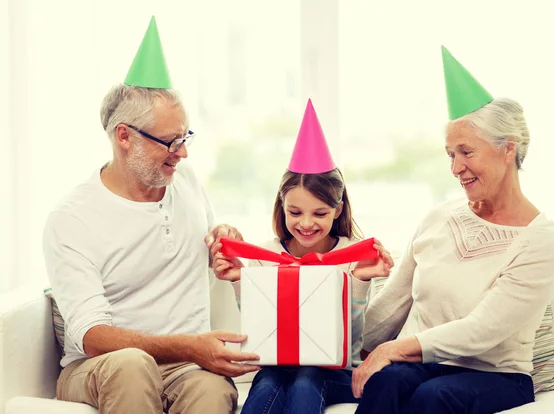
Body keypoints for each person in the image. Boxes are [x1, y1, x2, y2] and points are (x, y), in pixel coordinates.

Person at [42, 17, 258, 414]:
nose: (184, 152)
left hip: (185, 367)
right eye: (171, 141)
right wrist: (188, 345)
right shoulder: (72, 218)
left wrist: (221, 245)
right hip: (99, 367)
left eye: (186, 137)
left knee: (213, 390)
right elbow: (92, 337)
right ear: (124, 137)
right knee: (132, 364)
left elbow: (200, 263)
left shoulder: (186, 182)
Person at [352, 46, 554, 414]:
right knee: (388, 380)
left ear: (507, 150)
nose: (455, 168)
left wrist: (393, 350)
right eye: (450, 154)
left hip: (497, 375)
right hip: (428, 366)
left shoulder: (541, 240)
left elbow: (483, 329)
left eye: (466, 152)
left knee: (433, 396)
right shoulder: (438, 218)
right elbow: (392, 306)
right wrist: (343, 348)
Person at [210, 99, 394, 414]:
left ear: (337, 210)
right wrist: (241, 280)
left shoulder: (354, 254)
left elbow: (351, 344)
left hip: (334, 372)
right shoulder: (265, 254)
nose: (306, 224)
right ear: (281, 206)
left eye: (319, 213)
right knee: (268, 380)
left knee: (307, 377)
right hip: (277, 367)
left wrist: (360, 282)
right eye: (295, 212)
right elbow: (261, 332)